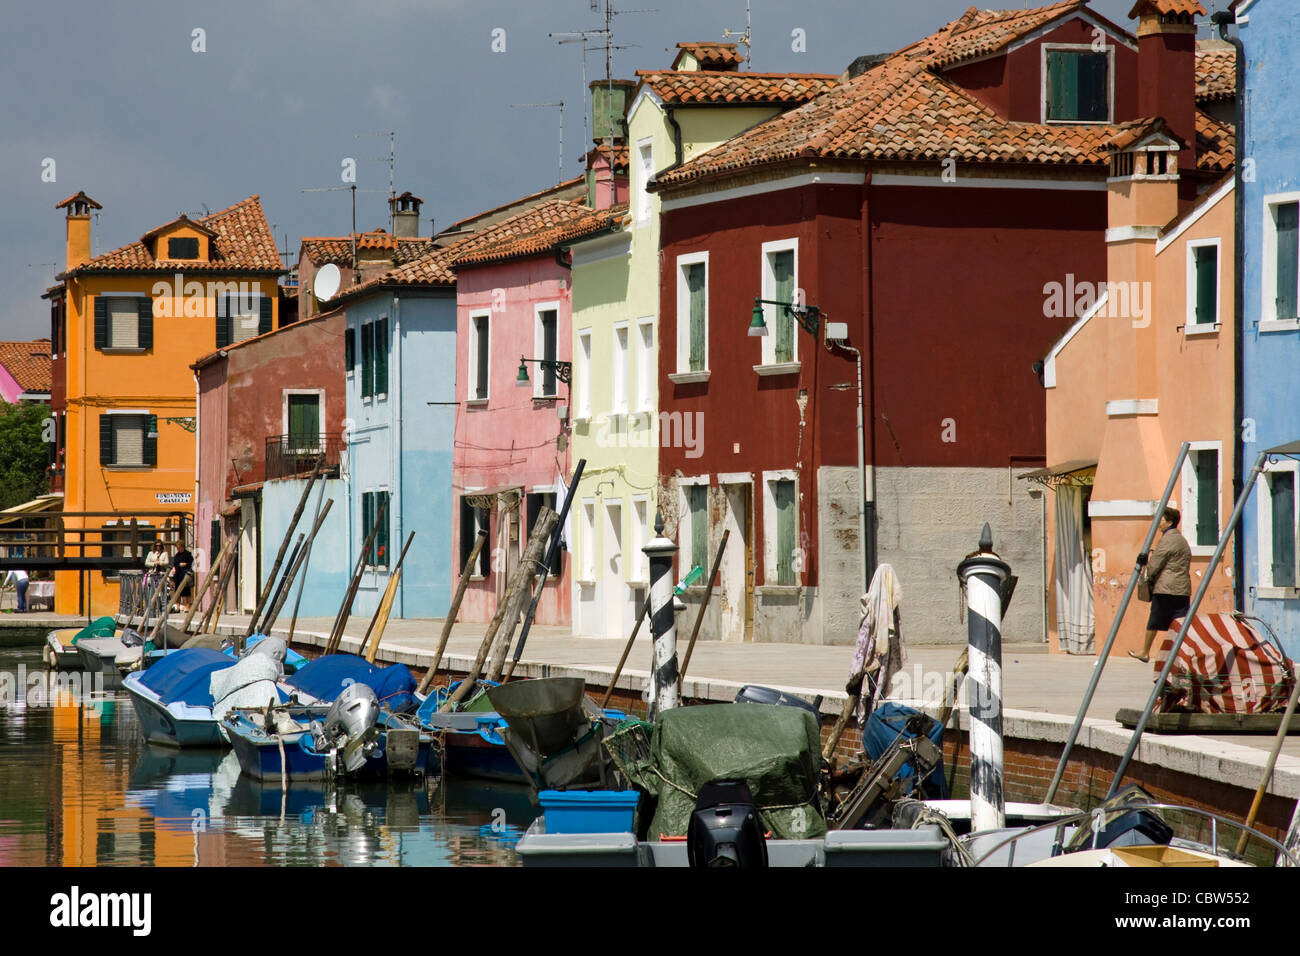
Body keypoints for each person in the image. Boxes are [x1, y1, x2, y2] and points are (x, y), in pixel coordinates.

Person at [1130, 506, 1192, 663]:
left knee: (1155, 620)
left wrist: (1145, 566)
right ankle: (1182, 654)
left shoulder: (1167, 540)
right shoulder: (1182, 540)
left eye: (1161, 520)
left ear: (1170, 522)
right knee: (1180, 623)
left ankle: (1145, 651)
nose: (1159, 523)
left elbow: (1154, 565)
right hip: (1182, 588)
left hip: (1166, 588)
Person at [170, 544, 195, 611]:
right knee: (177, 590)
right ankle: (177, 605)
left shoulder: (188, 554)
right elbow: (175, 564)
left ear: (182, 547)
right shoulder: (177, 555)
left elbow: (192, 563)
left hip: (185, 574)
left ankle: (188, 605)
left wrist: (185, 564)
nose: (178, 549)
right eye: (177, 548)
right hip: (178, 574)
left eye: (179, 548)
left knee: (186, 591)